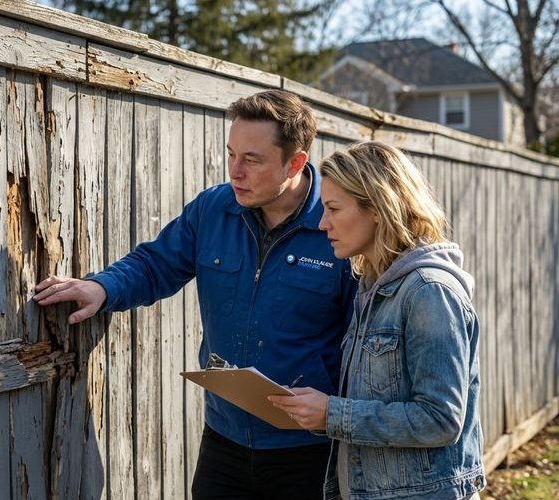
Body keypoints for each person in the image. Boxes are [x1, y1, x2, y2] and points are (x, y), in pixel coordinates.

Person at [35, 89, 356, 499]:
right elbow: (156, 263)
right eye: (231, 154)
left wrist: (340, 411)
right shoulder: (213, 209)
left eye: (252, 160)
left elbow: (362, 340)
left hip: (308, 452)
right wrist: (103, 286)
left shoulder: (337, 227)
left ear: (295, 163)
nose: (234, 172)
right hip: (224, 440)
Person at [269, 141, 486, 499]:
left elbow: (441, 419)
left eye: (334, 209)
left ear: (379, 208)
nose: (323, 224)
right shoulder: (372, 288)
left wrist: (332, 414)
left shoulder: (429, 291)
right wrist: (318, 409)